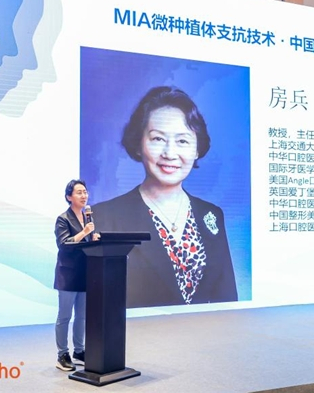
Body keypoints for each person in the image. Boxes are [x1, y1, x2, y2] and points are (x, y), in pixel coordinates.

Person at [92, 86, 238, 308]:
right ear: (138, 144)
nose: (169, 153)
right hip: (140, 331)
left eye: (183, 141)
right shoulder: (104, 217)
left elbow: (227, 301)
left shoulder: (211, 215)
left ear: (197, 150)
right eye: (158, 139)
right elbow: (97, 304)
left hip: (207, 331)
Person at [53, 179, 100, 371]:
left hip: (85, 273)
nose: (84, 195)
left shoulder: (87, 219)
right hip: (68, 274)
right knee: (65, 316)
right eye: (79, 192)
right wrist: (85, 232)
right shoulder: (63, 219)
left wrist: (94, 238)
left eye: (85, 192)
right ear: (69, 197)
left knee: (82, 316)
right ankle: (62, 354)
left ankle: (79, 351)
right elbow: (64, 244)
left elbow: (85, 245)